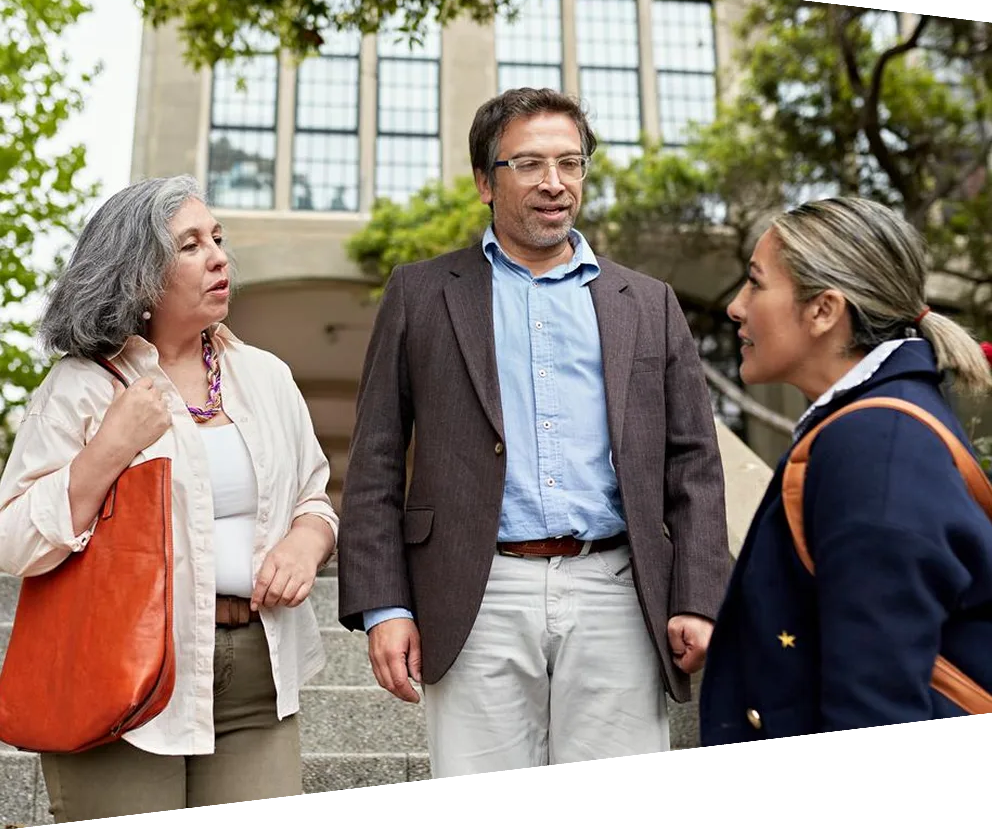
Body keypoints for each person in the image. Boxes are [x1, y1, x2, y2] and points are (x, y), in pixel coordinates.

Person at [337, 87, 732, 780]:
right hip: (475, 589)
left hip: (616, 586)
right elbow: (373, 460)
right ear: (486, 181)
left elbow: (693, 462)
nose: (555, 183)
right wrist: (385, 606)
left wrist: (699, 595)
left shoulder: (648, 301)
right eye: (530, 164)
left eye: (571, 164)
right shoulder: (422, 293)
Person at [0, 176, 338, 821]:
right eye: (189, 245)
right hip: (122, 675)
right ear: (137, 273)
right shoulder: (80, 387)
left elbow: (314, 498)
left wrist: (307, 540)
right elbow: (13, 540)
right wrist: (107, 450)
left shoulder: (265, 376)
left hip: (257, 675)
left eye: (218, 238)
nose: (218, 256)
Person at [698, 196, 992, 747]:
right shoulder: (868, 427)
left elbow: (876, 700)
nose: (737, 307)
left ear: (824, 310)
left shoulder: (873, 447)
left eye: (756, 284)